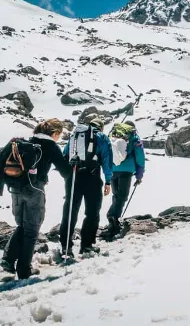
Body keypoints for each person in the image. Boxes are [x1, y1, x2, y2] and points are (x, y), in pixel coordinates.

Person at [0, 119, 71, 279]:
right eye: (58, 135)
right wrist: (73, 169)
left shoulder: (26, 142)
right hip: (34, 190)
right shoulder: (50, 146)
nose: (58, 138)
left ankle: (8, 259)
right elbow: (65, 171)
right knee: (32, 230)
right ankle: (24, 270)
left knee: (22, 225)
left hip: (15, 189)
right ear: (54, 133)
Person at [59, 118, 113, 257]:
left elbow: (65, 154)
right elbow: (107, 161)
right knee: (92, 212)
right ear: (101, 127)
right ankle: (86, 246)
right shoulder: (102, 137)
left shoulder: (75, 135)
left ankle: (65, 247)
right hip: (92, 177)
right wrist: (108, 181)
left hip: (73, 177)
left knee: (70, 211)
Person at [106, 121, 145, 237]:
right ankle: (113, 217)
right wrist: (139, 175)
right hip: (126, 171)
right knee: (122, 196)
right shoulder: (134, 138)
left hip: (113, 169)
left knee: (117, 195)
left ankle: (113, 221)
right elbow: (140, 158)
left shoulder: (113, 135)